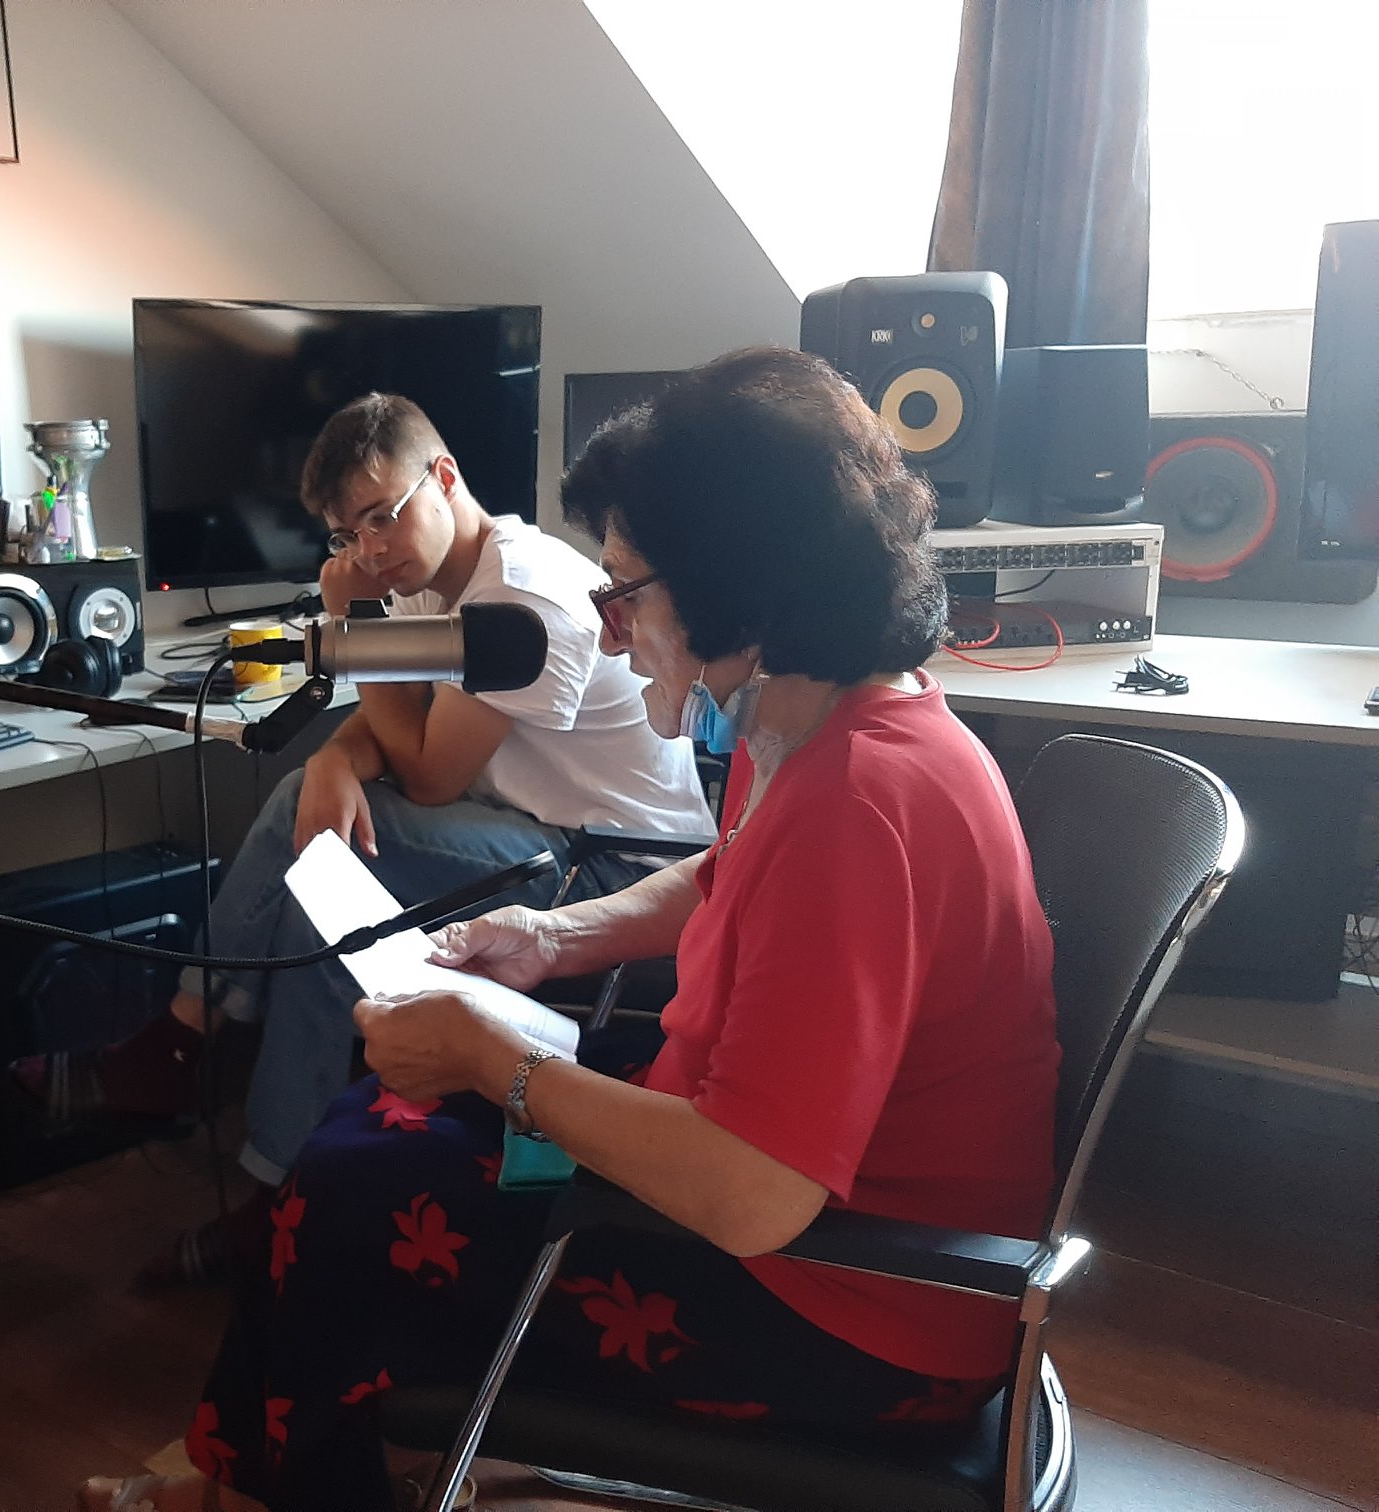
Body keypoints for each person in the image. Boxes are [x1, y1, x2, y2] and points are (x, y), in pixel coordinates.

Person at [78, 347, 1061, 1512]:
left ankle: (247, 1486)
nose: (610, 631)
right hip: (791, 1213)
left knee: (354, 1208)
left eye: (626, 594)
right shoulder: (823, 719)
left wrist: (493, 1056)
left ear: (739, 589)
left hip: (850, 1313)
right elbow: (728, 876)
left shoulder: (857, 801)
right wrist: (553, 941)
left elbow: (753, 1195)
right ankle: (256, 1477)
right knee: (361, 1132)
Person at [100, 393, 714, 1283]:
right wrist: (335, 759)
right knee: (326, 908)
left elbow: (427, 775)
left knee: (307, 831)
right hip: (529, 830)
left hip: (615, 868)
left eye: (382, 515)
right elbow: (402, 729)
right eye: (346, 534)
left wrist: (352, 631)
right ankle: (279, 1184)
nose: (369, 549)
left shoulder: (521, 598)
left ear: (445, 478)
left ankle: (190, 1031)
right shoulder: (433, 577)